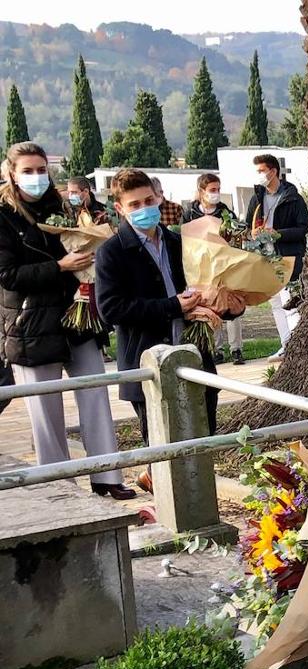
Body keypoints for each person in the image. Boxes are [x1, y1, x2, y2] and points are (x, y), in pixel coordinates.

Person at [0, 142, 134, 500]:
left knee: (94, 394)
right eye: (27, 171)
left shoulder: (62, 206)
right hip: (30, 323)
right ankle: (59, 485)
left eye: (40, 169)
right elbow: (7, 275)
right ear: (11, 173)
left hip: (78, 315)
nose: (36, 177)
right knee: (45, 409)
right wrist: (58, 267)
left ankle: (107, 475)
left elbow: (84, 244)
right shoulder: (3, 215)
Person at [96, 168, 237, 492]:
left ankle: (196, 501)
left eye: (149, 200)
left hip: (194, 355)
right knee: (162, 444)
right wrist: (172, 306)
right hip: (148, 361)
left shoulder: (180, 242)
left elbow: (202, 291)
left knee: (203, 435)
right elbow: (112, 309)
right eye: (134, 205)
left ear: (159, 199)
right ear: (120, 208)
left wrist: (229, 305)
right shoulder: (111, 253)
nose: (144, 209)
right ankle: (168, 507)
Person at [244, 154, 308, 362]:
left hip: (288, 257)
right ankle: (285, 345)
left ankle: (299, 346)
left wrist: (278, 233)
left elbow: (303, 228)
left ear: (273, 171)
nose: (260, 176)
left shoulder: (293, 198)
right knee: (275, 303)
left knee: (291, 301)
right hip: (266, 257)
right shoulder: (256, 198)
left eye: (262, 171)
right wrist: (252, 234)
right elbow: (248, 227)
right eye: (257, 172)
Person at [183, 173, 245, 367]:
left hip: (224, 266)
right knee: (209, 306)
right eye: (212, 190)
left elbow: (236, 238)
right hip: (200, 269)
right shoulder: (190, 213)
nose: (216, 194)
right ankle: (215, 348)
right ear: (201, 191)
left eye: (218, 189)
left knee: (229, 304)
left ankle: (236, 348)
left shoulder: (225, 213)